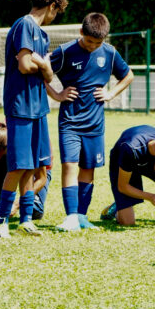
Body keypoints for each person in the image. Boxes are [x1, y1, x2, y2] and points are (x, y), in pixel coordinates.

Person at [0, 0, 69, 238]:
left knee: (33, 165)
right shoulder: (24, 25)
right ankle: (2, 220)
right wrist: (45, 68)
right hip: (21, 106)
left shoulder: (42, 34)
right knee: (17, 166)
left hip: (38, 107)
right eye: (56, 12)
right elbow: (25, 65)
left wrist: (46, 69)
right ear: (51, 6)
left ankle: (26, 219)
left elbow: (44, 70)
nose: (54, 17)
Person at [47, 12, 134, 231]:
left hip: (95, 125)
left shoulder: (110, 53)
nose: (93, 46)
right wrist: (57, 95)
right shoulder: (66, 52)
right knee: (69, 166)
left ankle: (82, 216)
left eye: (98, 42)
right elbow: (39, 73)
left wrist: (111, 94)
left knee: (88, 168)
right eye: (89, 41)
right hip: (70, 122)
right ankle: (70, 217)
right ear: (81, 32)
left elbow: (128, 75)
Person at [0, 121, 51, 226]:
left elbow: (41, 178)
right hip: (12, 163)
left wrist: (17, 204)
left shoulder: (30, 139)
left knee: (34, 211)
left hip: (36, 171)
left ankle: (28, 205)